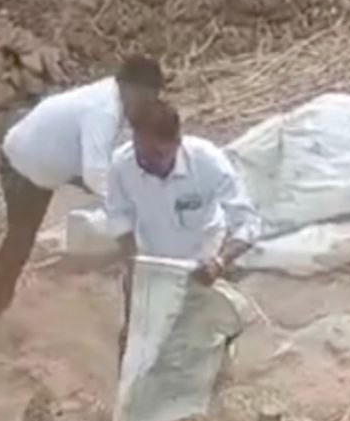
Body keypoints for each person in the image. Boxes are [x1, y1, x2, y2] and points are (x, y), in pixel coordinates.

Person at [0, 55, 165, 317]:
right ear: (132, 89)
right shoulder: (104, 110)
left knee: (120, 189)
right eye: (146, 100)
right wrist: (124, 211)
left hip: (56, 156)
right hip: (24, 163)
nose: (147, 108)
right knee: (21, 237)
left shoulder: (114, 94)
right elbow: (94, 175)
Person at [104, 100, 261, 364]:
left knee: (201, 335)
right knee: (136, 339)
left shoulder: (208, 162)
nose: (145, 161)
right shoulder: (122, 164)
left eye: (156, 155)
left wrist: (219, 262)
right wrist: (131, 259)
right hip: (148, 259)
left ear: (177, 142)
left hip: (201, 259)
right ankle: (132, 395)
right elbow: (119, 214)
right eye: (140, 150)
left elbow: (248, 222)